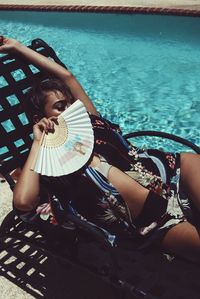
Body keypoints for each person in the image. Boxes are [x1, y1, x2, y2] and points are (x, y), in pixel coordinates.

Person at [1, 36, 200, 263]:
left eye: (69, 103)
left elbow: (67, 77)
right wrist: (38, 143)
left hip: (174, 172)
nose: (70, 109)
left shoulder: (90, 120)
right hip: (154, 221)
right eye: (59, 107)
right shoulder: (47, 164)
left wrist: (17, 48)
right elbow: (23, 202)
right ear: (40, 118)